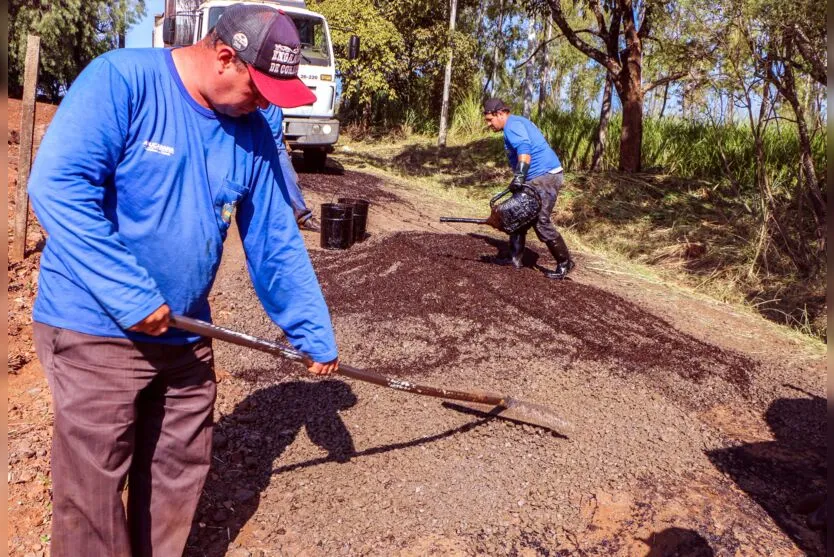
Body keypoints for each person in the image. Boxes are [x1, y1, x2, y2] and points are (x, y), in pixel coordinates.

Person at [27, 5, 339, 556]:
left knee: (178, 472)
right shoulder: (123, 81)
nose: (265, 103)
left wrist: (311, 330)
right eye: (260, 88)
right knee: (93, 496)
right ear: (224, 57)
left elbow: (273, 237)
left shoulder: (253, 130)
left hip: (187, 331)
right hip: (95, 327)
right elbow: (57, 188)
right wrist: (131, 296)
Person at [483, 98, 575, 279]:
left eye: (490, 120)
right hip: (536, 177)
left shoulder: (512, 126)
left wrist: (519, 176)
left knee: (540, 220)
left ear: (500, 113)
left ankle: (565, 263)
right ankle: (514, 259)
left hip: (545, 177)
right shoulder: (516, 123)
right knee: (519, 215)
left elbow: (524, 150)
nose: (488, 124)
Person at [261, 104, 321, 232]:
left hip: (279, 149)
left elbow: (279, 128)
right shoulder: (255, 101)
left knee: (293, 181)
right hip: (261, 149)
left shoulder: (276, 105)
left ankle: (303, 218)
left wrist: (285, 143)